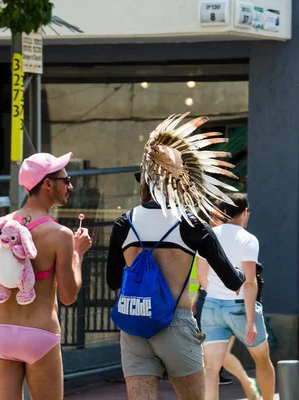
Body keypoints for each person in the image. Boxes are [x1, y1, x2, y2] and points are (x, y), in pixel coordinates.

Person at [106, 113, 245, 400]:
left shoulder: (124, 222)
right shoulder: (191, 224)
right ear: (182, 182)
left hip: (134, 324)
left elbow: (111, 280)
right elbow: (232, 280)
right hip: (176, 323)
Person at [0, 152, 93, 400]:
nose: (70, 186)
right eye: (66, 179)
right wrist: (78, 254)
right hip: (39, 334)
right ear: (48, 183)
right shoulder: (60, 234)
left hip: (3, 335)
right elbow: (68, 296)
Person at [197, 193, 275, 400]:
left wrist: (215, 292)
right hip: (240, 307)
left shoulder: (208, 235)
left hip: (212, 306)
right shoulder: (248, 239)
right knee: (262, 360)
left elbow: (201, 275)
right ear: (245, 212)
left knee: (211, 370)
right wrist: (250, 319)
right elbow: (250, 282)